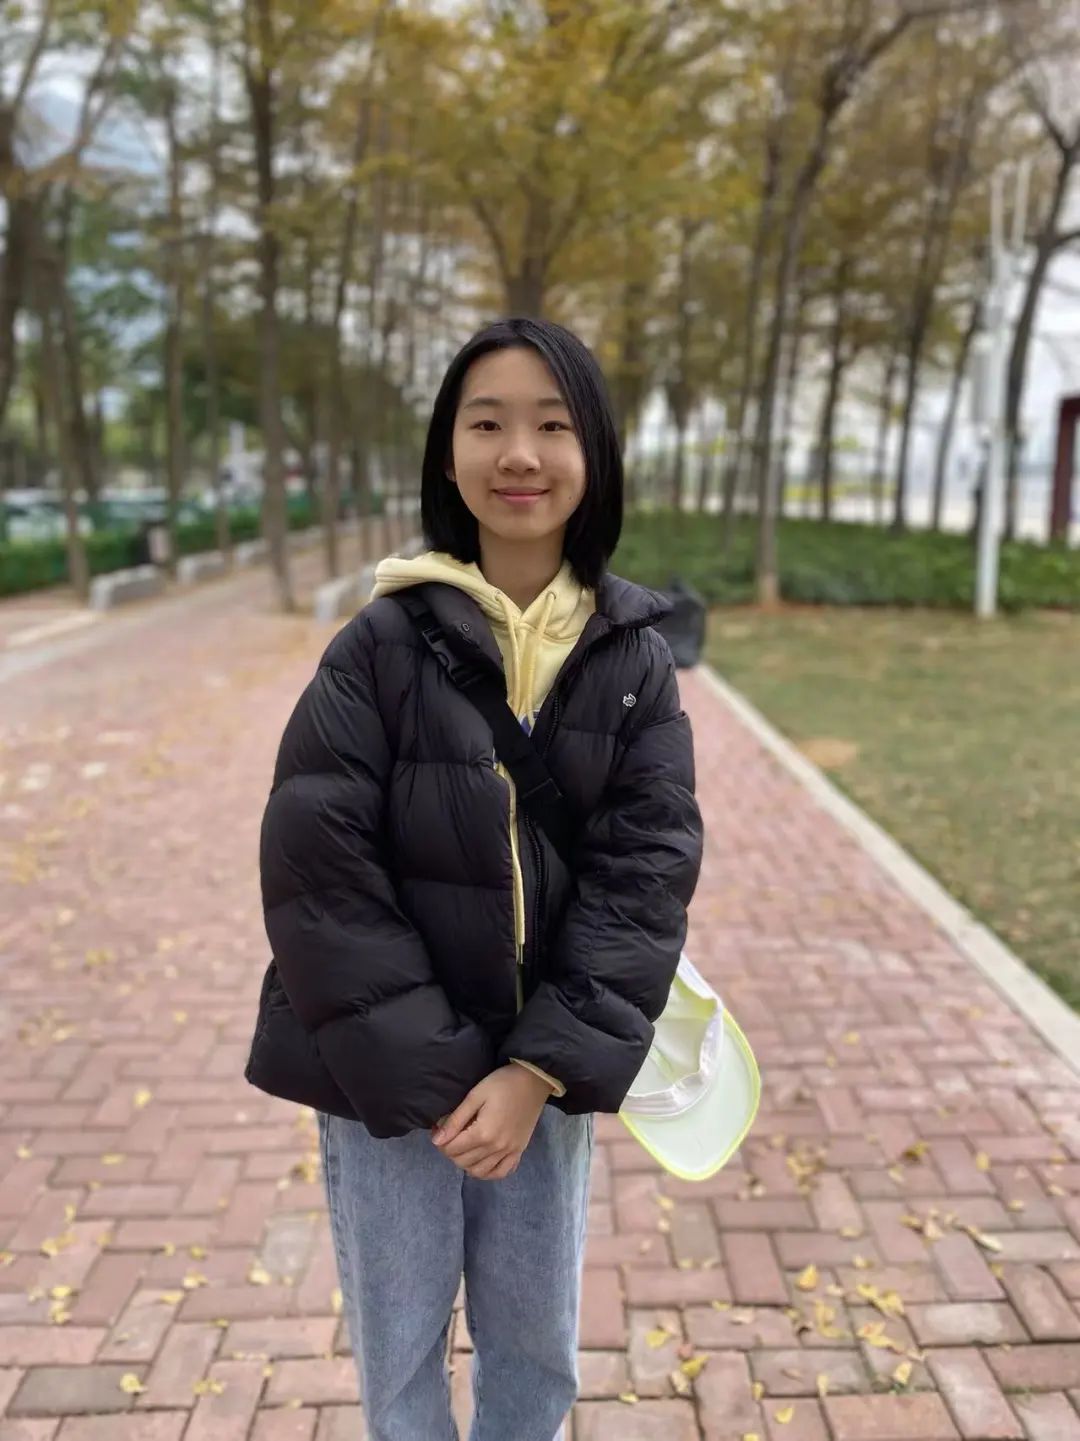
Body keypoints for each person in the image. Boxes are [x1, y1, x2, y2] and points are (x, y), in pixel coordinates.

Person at [248, 316, 704, 1441]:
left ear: (594, 454)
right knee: (401, 1358)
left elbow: (646, 874)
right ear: (447, 455)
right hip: (384, 1079)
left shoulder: (635, 657)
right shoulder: (380, 646)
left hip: (541, 1074)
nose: (520, 455)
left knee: (536, 1353)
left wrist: (533, 1072)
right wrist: (449, 1075)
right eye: (487, 423)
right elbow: (318, 871)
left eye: (553, 425)